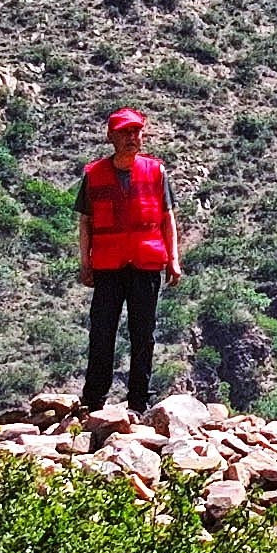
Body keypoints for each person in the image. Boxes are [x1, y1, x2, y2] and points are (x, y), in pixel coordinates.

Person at [77, 107, 178, 412]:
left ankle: (139, 401)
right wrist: (85, 262)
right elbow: (85, 222)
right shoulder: (94, 174)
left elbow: (167, 217)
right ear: (111, 136)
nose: (132, 138)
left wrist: (173, 258)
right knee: (102, 332)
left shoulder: (156, 171)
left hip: (146, 262)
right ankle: (94, 401)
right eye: (125, 132)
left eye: (136, 132)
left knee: (143, 333)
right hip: (108, 265)